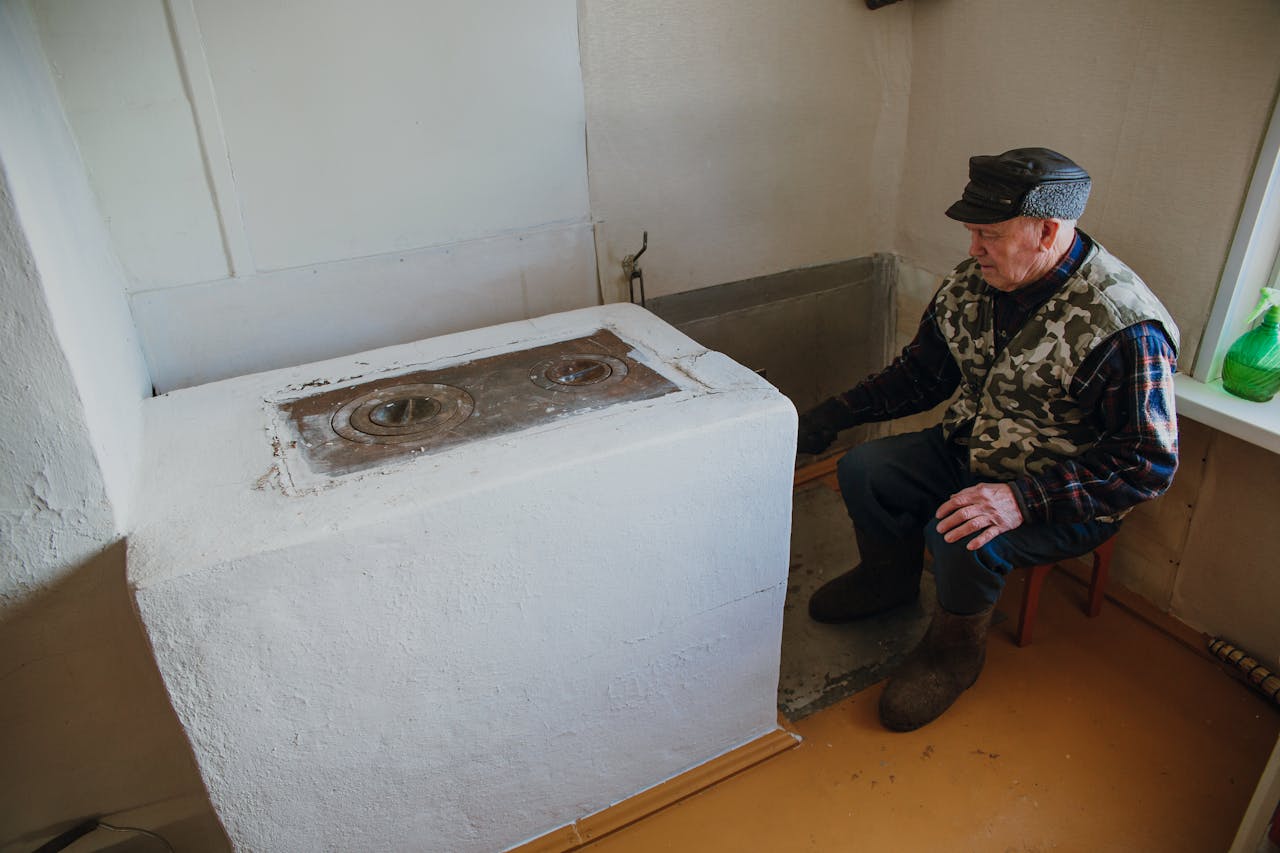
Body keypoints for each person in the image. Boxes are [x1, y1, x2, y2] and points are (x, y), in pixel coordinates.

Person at [796, 147, 1179, 732]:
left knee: (964, 532)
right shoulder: (979, 280)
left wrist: (1019, 500)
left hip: (1063, 491)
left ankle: (954, 652)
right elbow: (924, 375)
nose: (973, 248)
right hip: (973, 447)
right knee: (865, 469)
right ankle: (888, 582)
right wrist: (833, 413)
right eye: (972, 231)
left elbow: (1145, 465)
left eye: (989, 234)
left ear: (1047, 229)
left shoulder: (1122, 326)